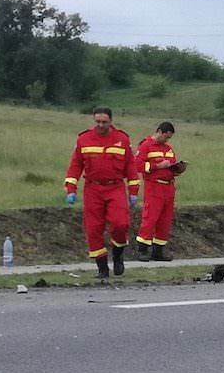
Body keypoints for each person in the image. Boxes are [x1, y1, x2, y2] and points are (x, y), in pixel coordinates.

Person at [64, 107, 140, 278]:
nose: (100, 125)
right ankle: (102, 267)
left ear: (111, 121)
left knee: (120, 224)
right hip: (92, 189)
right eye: (97, 121)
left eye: (104, 122)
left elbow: (130, 166)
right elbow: (75, 165)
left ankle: (118, 254)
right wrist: (71, 188)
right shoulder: (84, 139)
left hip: (115, 188)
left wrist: (133, 190)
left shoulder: (122, 139)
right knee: (93, 229)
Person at [134, 121, 187, 262]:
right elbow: (137, 165)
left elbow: (171, 163)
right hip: (154, 187)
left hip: (168, 187)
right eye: (166, 137)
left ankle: (158, 250)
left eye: (169, 138)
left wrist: (177, 169)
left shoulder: (168, 149)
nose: (167, 140)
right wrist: (157, 166)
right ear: (159, 132)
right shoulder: (146, 146)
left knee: (165, 220)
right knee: (150, 218)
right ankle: (143, 249)